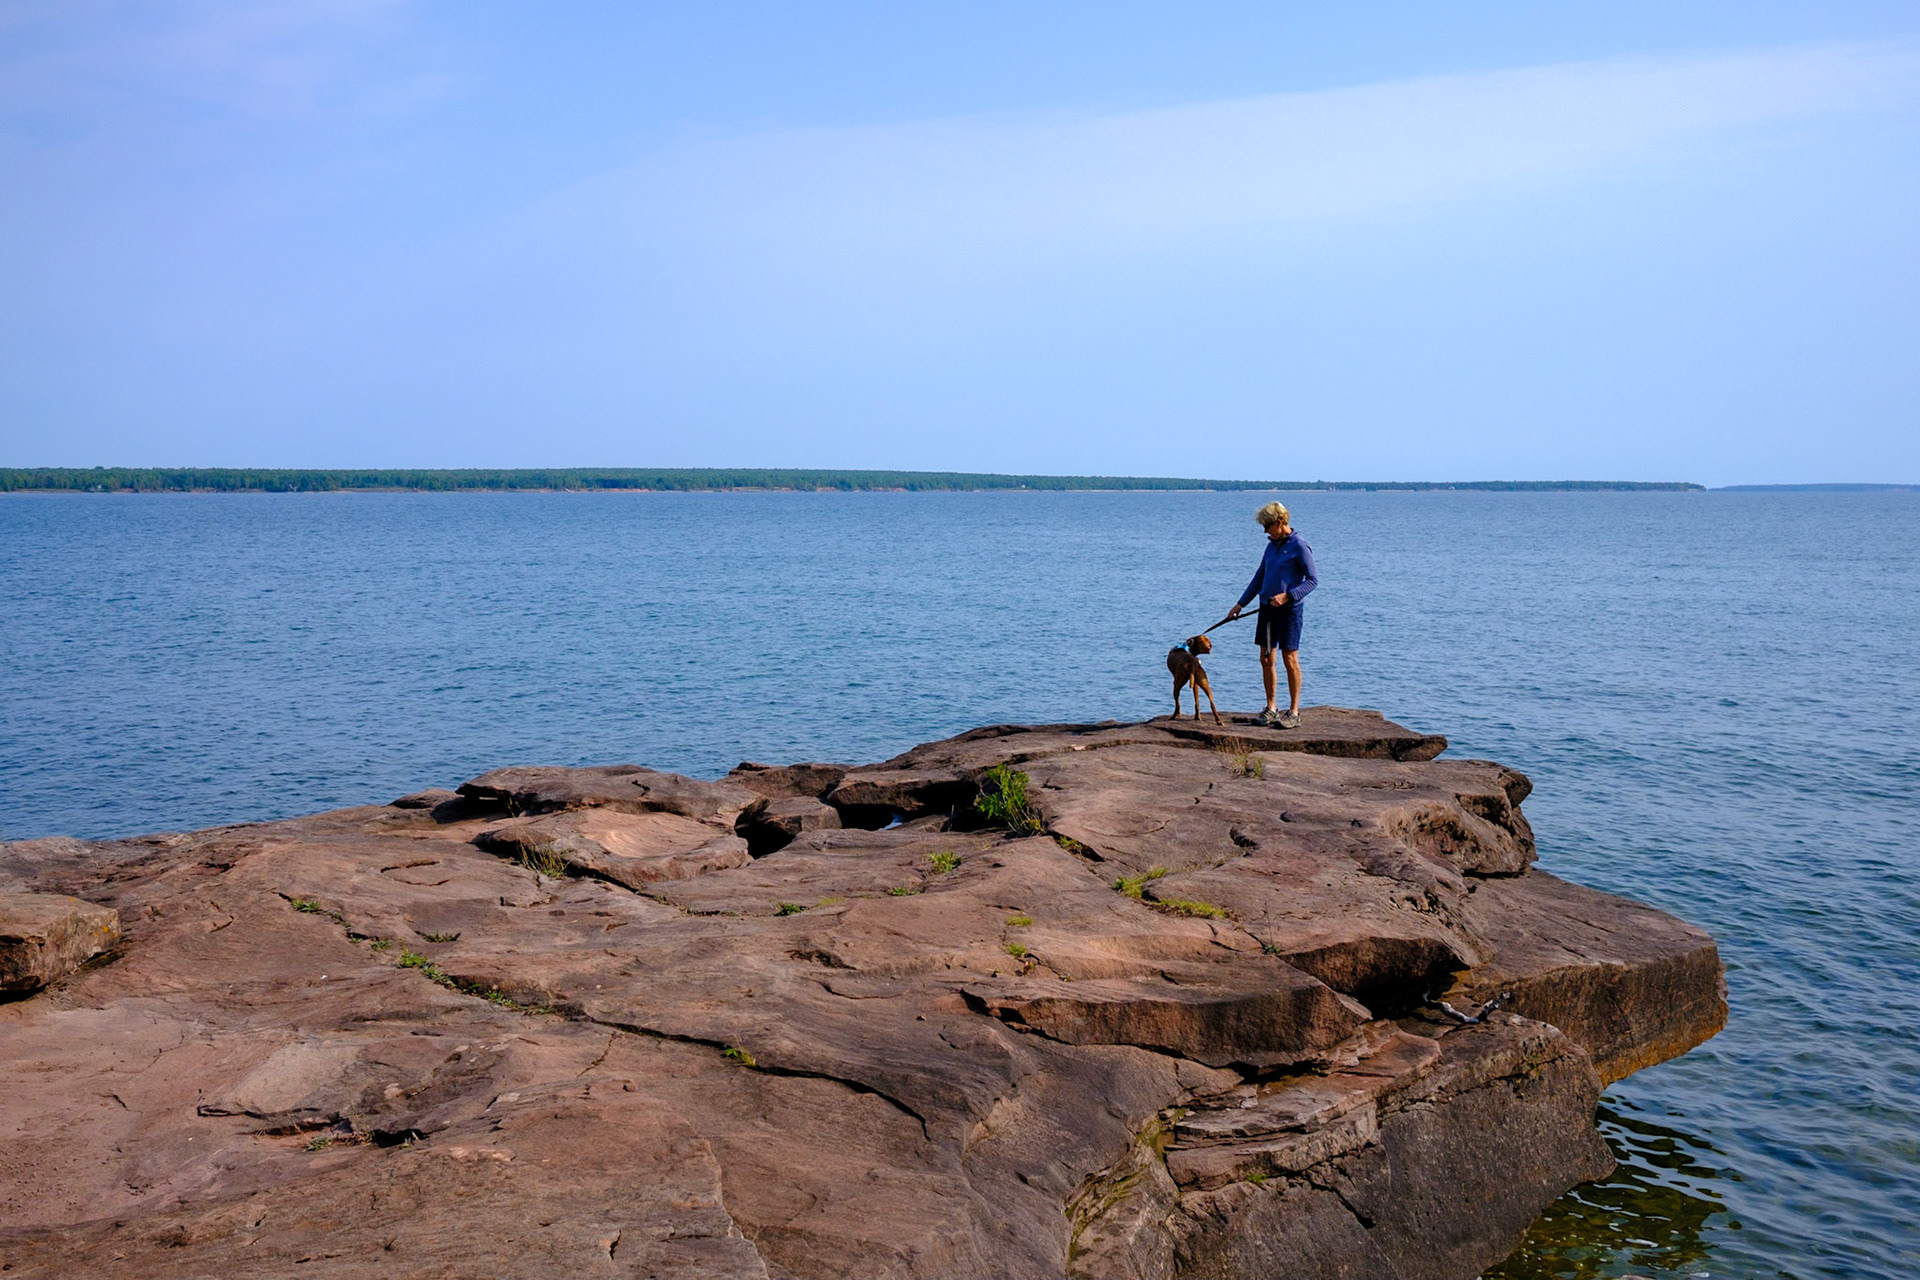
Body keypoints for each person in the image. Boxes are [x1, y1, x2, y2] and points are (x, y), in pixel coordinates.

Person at [1224, 501, 1317, 728]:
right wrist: (1240, 604)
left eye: (1267, 526)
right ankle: (1271, 708)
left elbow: (1313, 581)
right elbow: (1259, 577)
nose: (1265, 531)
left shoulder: (1299, 546)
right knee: (1266, 659)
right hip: (1266, 609)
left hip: (1289, 612)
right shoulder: (1271, 546)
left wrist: (1287, 596)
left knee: (1290, 659)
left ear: (1279, 522)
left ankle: (1294, 713)